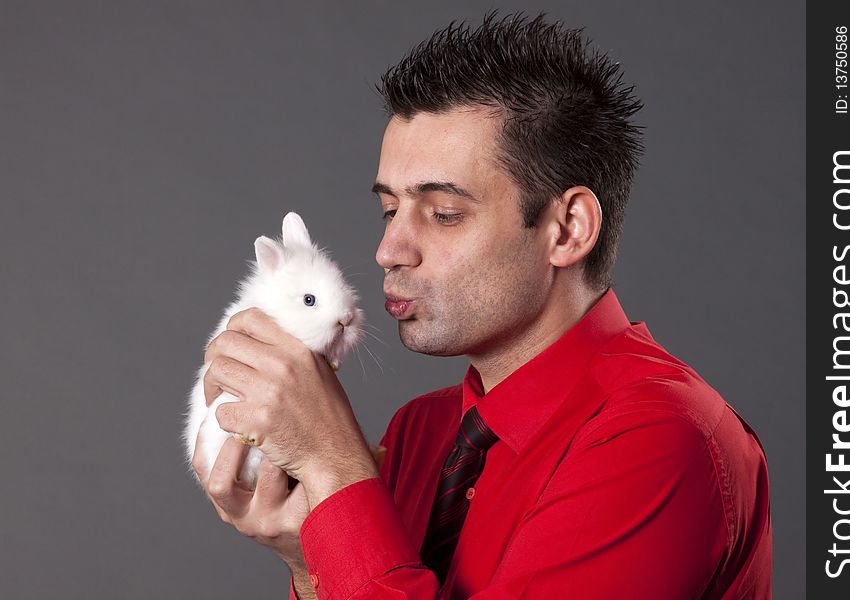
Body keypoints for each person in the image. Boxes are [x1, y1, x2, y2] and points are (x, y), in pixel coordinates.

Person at [191, 12, 772, 600]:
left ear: (567, 229)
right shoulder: (420, 431)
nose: (388, 250)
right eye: (390, 210)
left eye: (443, 213)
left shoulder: (658, 443)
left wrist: (331, 466)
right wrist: (307, 555)